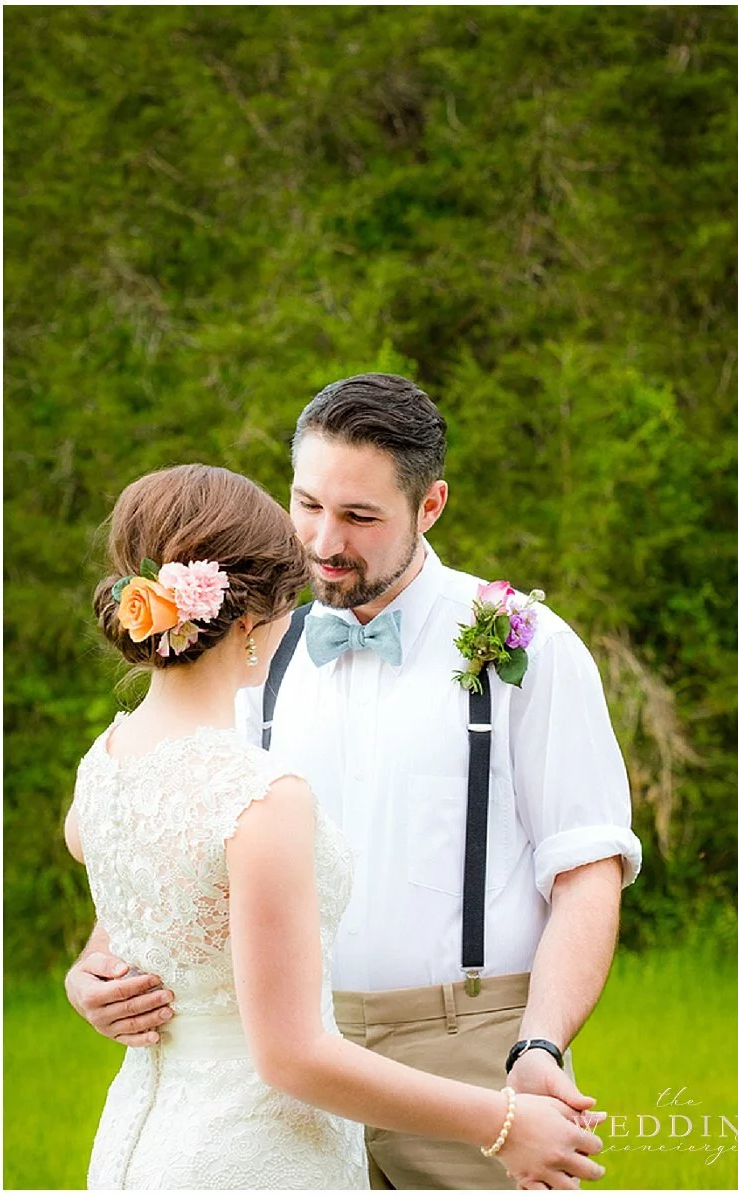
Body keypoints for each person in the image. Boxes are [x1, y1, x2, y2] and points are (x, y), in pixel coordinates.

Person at [64, 462, 606, 1191]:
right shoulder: (260, 797)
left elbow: (166, 890)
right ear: (252, 624)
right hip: (256, 1151)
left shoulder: (100, 769)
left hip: (143, 1142)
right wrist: (504, 1124)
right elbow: (290, 1054)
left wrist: (95, 962)